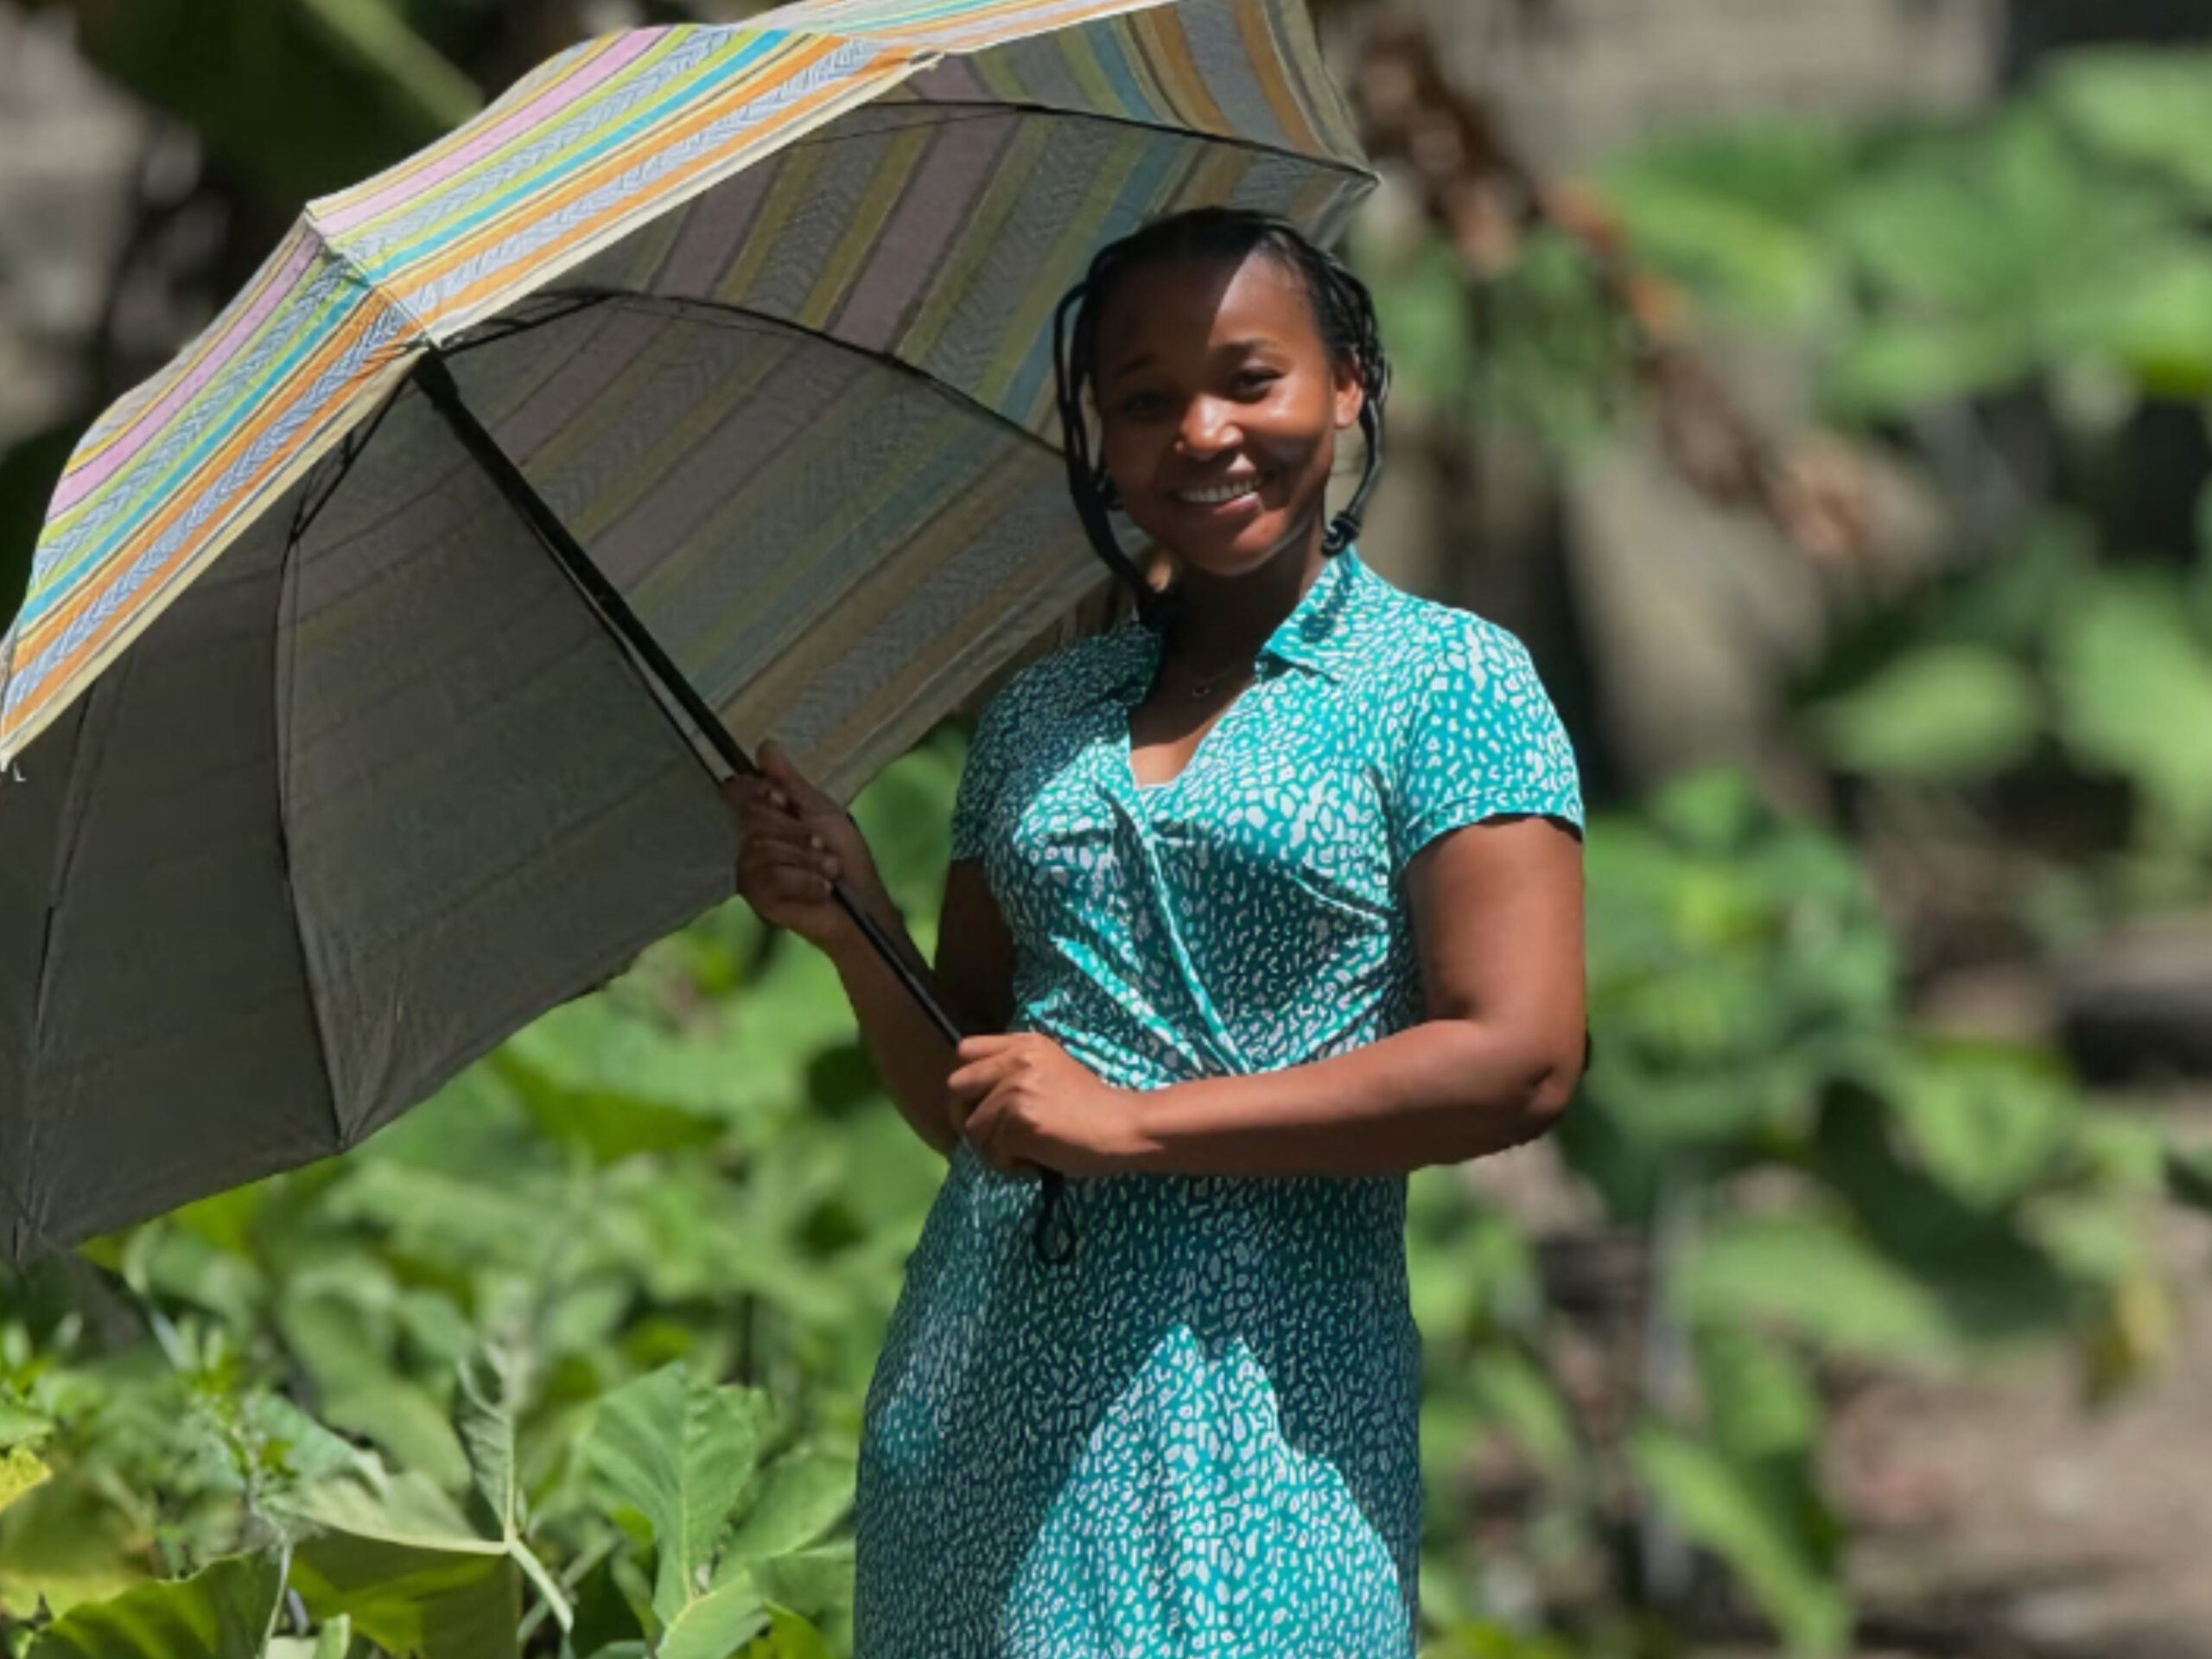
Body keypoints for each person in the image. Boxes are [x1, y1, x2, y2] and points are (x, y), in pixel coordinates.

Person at [724, 207, 1586, 1658]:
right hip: (978, 1412)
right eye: (1144, 400)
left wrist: (1139, 1124)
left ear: (1351, 385)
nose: (1203, 431)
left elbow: (1521, 1061)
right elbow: (981, 1095)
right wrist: (853, 922)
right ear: (1099, 438)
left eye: (1250, 378)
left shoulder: (1445, 682)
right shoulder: (1041, 718)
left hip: (1261, 1428)